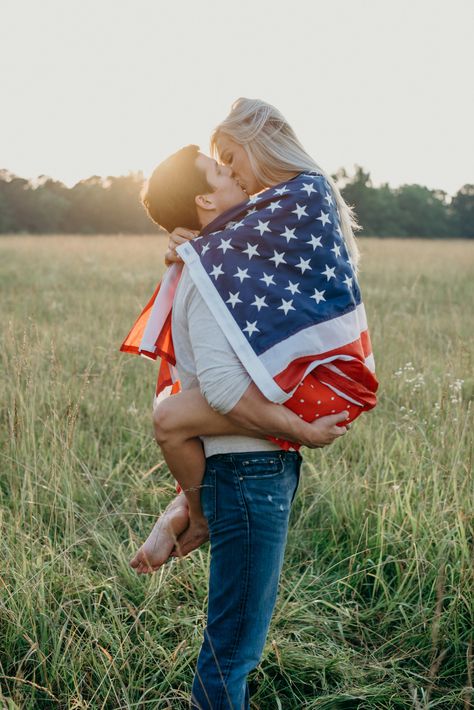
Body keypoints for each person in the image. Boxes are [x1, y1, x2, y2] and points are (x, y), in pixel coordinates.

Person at [122, 99, 378, 709]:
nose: (235, 177)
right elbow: (225, 390)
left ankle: (186, 511)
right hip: (250, 471)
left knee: (234, 645)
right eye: (222, 170)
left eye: (234, 163)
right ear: (207, 200)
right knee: (232, 653)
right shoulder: (214, 267)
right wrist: (300, 428)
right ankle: (190, 510)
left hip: (249, 469)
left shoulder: (231, 256)